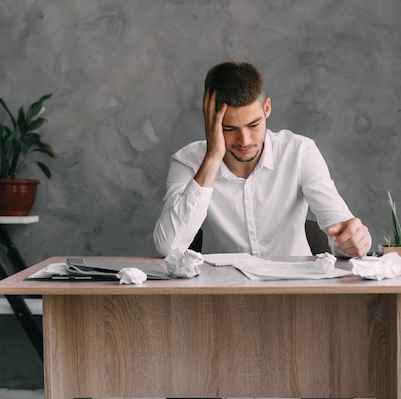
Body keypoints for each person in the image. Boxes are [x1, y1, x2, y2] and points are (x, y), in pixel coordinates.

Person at [153, 60, 371, 258]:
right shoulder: (187, 161)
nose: (244, 140)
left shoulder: (300, 152)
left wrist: (354, 241)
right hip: (224, 293)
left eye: (253, 125)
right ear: (211, 122)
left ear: (267, 108)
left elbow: (342, 231)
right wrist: (211, 159)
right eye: (229, 128)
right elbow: (169, 246)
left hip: (296, 292)